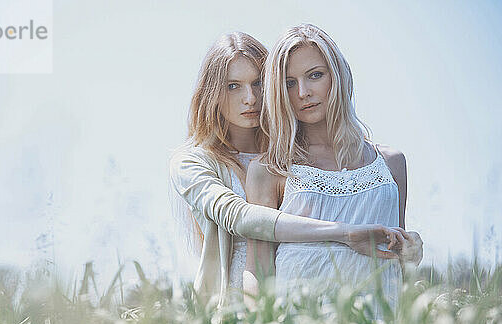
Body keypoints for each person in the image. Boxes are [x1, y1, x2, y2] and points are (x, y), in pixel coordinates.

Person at [170, 31, 408, 308]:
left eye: (258, 83)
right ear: (212, 93)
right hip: (233, 309)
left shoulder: (287, 156)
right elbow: (241, 217)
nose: (250, 98)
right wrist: (344, 233)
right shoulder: (196, 162)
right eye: (233, 86)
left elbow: (394, 246)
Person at [244, 24, 423, 316]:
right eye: (289, 83)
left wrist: (411, 248)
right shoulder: (270, 169)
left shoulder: (392, 163)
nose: (303, 92)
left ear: (337, 76)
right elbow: (258, 266)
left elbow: (399, 258)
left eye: (315, 75)